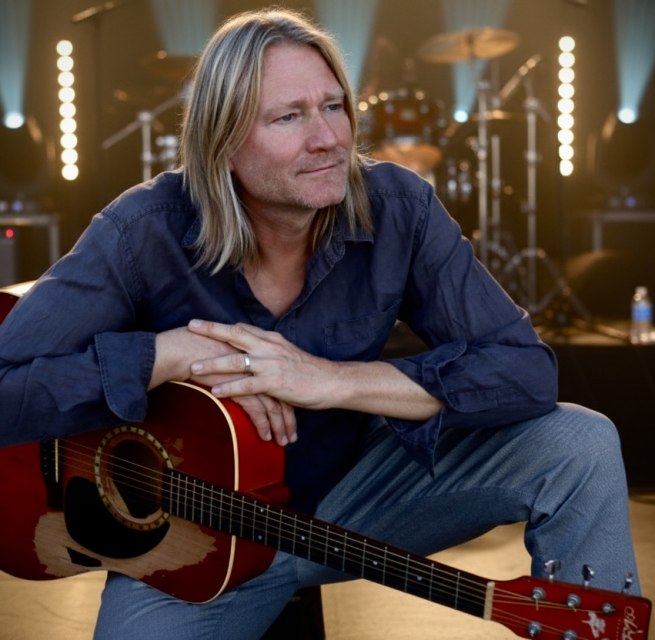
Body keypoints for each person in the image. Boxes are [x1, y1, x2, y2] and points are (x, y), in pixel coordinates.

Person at [0, 7, 641, 639]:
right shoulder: (142, 230)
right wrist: (165, 355)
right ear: (223, 142)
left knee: (578, 443)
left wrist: (329, 380)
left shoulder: (398, 207)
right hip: (198, 543)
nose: (329, 138)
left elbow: (525, 370)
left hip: (350, 500)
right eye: (289, 117)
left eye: (334, 107)